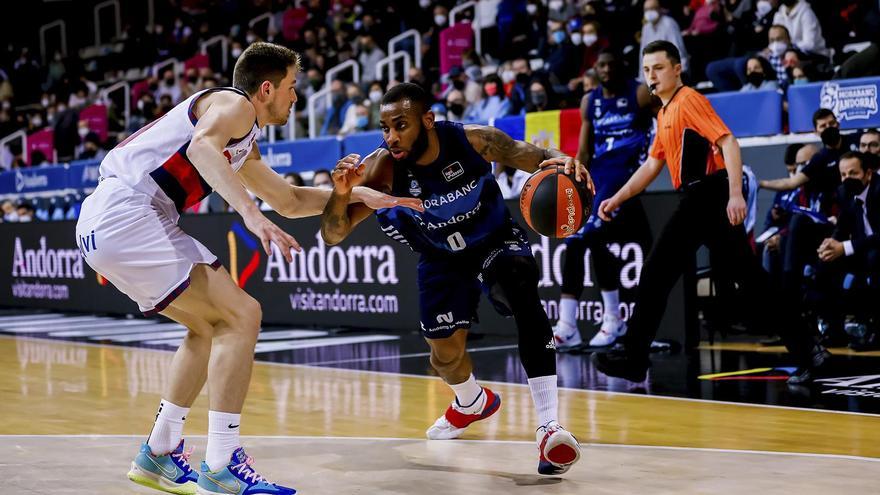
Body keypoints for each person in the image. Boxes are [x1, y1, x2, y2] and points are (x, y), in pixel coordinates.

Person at [75, 42, 421, 495]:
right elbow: (202, 149)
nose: (296, 97)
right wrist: (250, 216)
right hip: (129, 213)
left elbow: (290, 201)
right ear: (266, 88)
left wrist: (358, 197)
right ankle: (220, 464)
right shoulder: (234, 105)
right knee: (243, 316)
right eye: (292, 87)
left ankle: (158, 453)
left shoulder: (242, 139)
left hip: (105, 225)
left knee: (208, 327)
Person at [319, 82, 589, 475]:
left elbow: (535, 156)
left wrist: (566, 160)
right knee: (444, 356)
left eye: (401, 125)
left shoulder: (474, 140)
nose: (391, 136)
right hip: (440, 257)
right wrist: (341, 193)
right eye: (385, 127)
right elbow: (333, 234)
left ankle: (550, 427)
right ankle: (470, 401)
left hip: (494, 238)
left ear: (427, 120)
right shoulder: (383, 169)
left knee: (521, 289)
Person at [591, 41, 828, 385]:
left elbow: (728, 142)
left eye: (658, 68)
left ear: (677, 69)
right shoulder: (664, 112)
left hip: (706, 194)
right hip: (701, 197)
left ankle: (633, 355)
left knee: (657, 272)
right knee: (751, 282)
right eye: (646, 70)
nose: (651, 76)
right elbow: (652, 164)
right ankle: (810, 350)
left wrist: (735, 194)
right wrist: (618, 197)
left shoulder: (689, 101)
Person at [552, 50, 654, 349]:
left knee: (592, 236)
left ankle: (610, 320)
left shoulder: (639, 93)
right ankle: (569, 325)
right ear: (594, 69)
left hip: (626, 177)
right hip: (599, 178)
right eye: (601, 64)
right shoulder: (589, 101)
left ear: (621, 66)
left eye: (611, 64)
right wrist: (574, 180)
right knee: (576, 242)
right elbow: (584, 150)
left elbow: (666, 121)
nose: (606, 69)